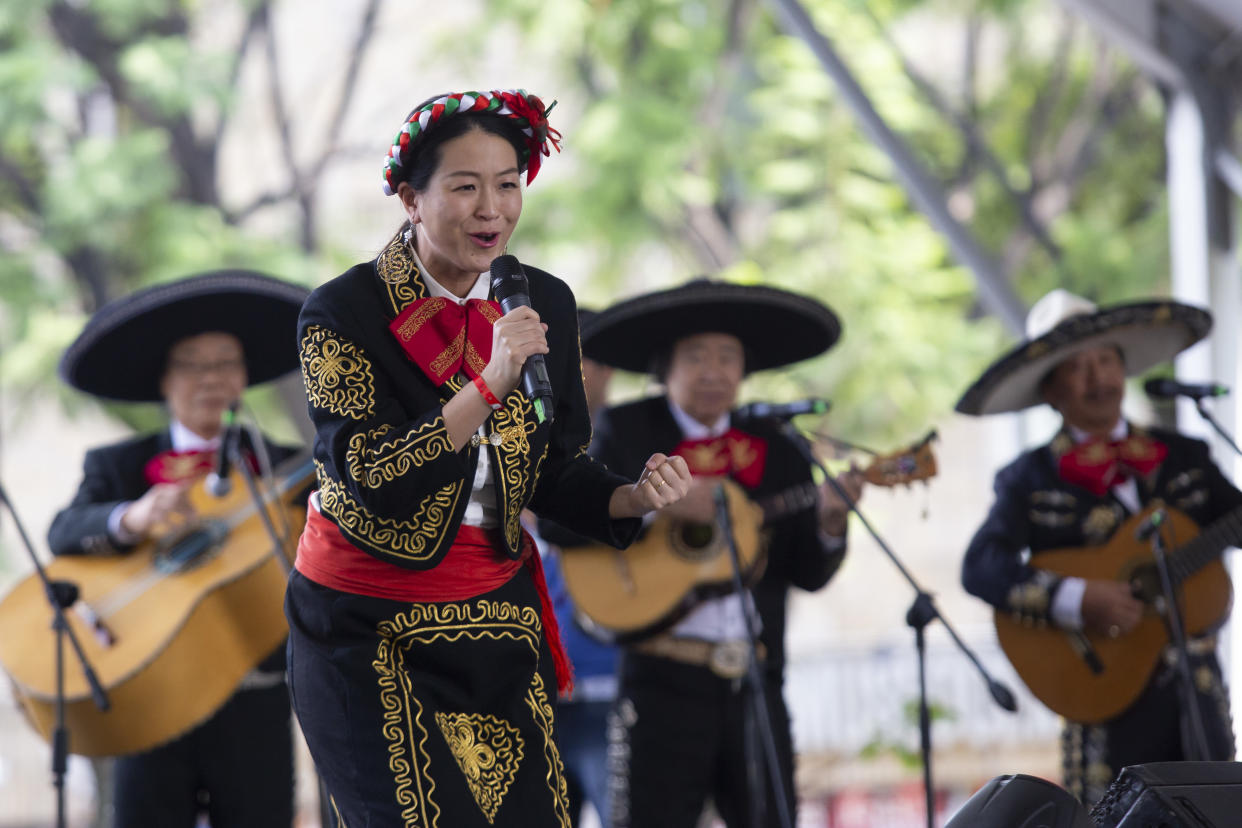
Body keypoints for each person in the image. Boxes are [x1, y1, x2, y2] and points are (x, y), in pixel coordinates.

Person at [284, 88, 691, 828]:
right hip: (366, 621)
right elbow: (371, 477)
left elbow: (555, 467)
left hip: (494, 615)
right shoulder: (341, 312)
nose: (491, 209)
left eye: (508, 185)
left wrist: (632, 498)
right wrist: (487, 384)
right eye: (465, 187)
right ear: (410, 197)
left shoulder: (544, 303)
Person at [557, 278, 863, 828]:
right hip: (661, 683)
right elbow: (565, 520)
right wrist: (651, 506)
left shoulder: (779, 446)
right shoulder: (625, 430)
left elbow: (807, 573)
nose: (714, 372)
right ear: (664, 370)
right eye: (696, 357)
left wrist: (831, 526)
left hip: (756, 681)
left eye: (728, 358)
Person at [47, 270, 310, 828]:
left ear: (245, 376)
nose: (212, 377)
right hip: (151, 691)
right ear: (164, 379)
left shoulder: (290, 469)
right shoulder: (118, 465)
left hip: (254, 695)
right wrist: (132, 515)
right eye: (194, 363)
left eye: (226, 363)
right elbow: (63, 531)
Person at [957, 289, 1240, 805]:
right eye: (1078, 367)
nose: (1098, 377)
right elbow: (982, 568)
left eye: (1107, 360)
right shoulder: (1029, 478)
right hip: (1104, 695)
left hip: (1196, 696)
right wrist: (1077, 597)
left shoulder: (1182, 456)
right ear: (1051, 390)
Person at [534, 308, 620, 827]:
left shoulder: (631, 448)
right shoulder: (503, 445)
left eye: (585, 360)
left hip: (608, 687)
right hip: (529, 691)